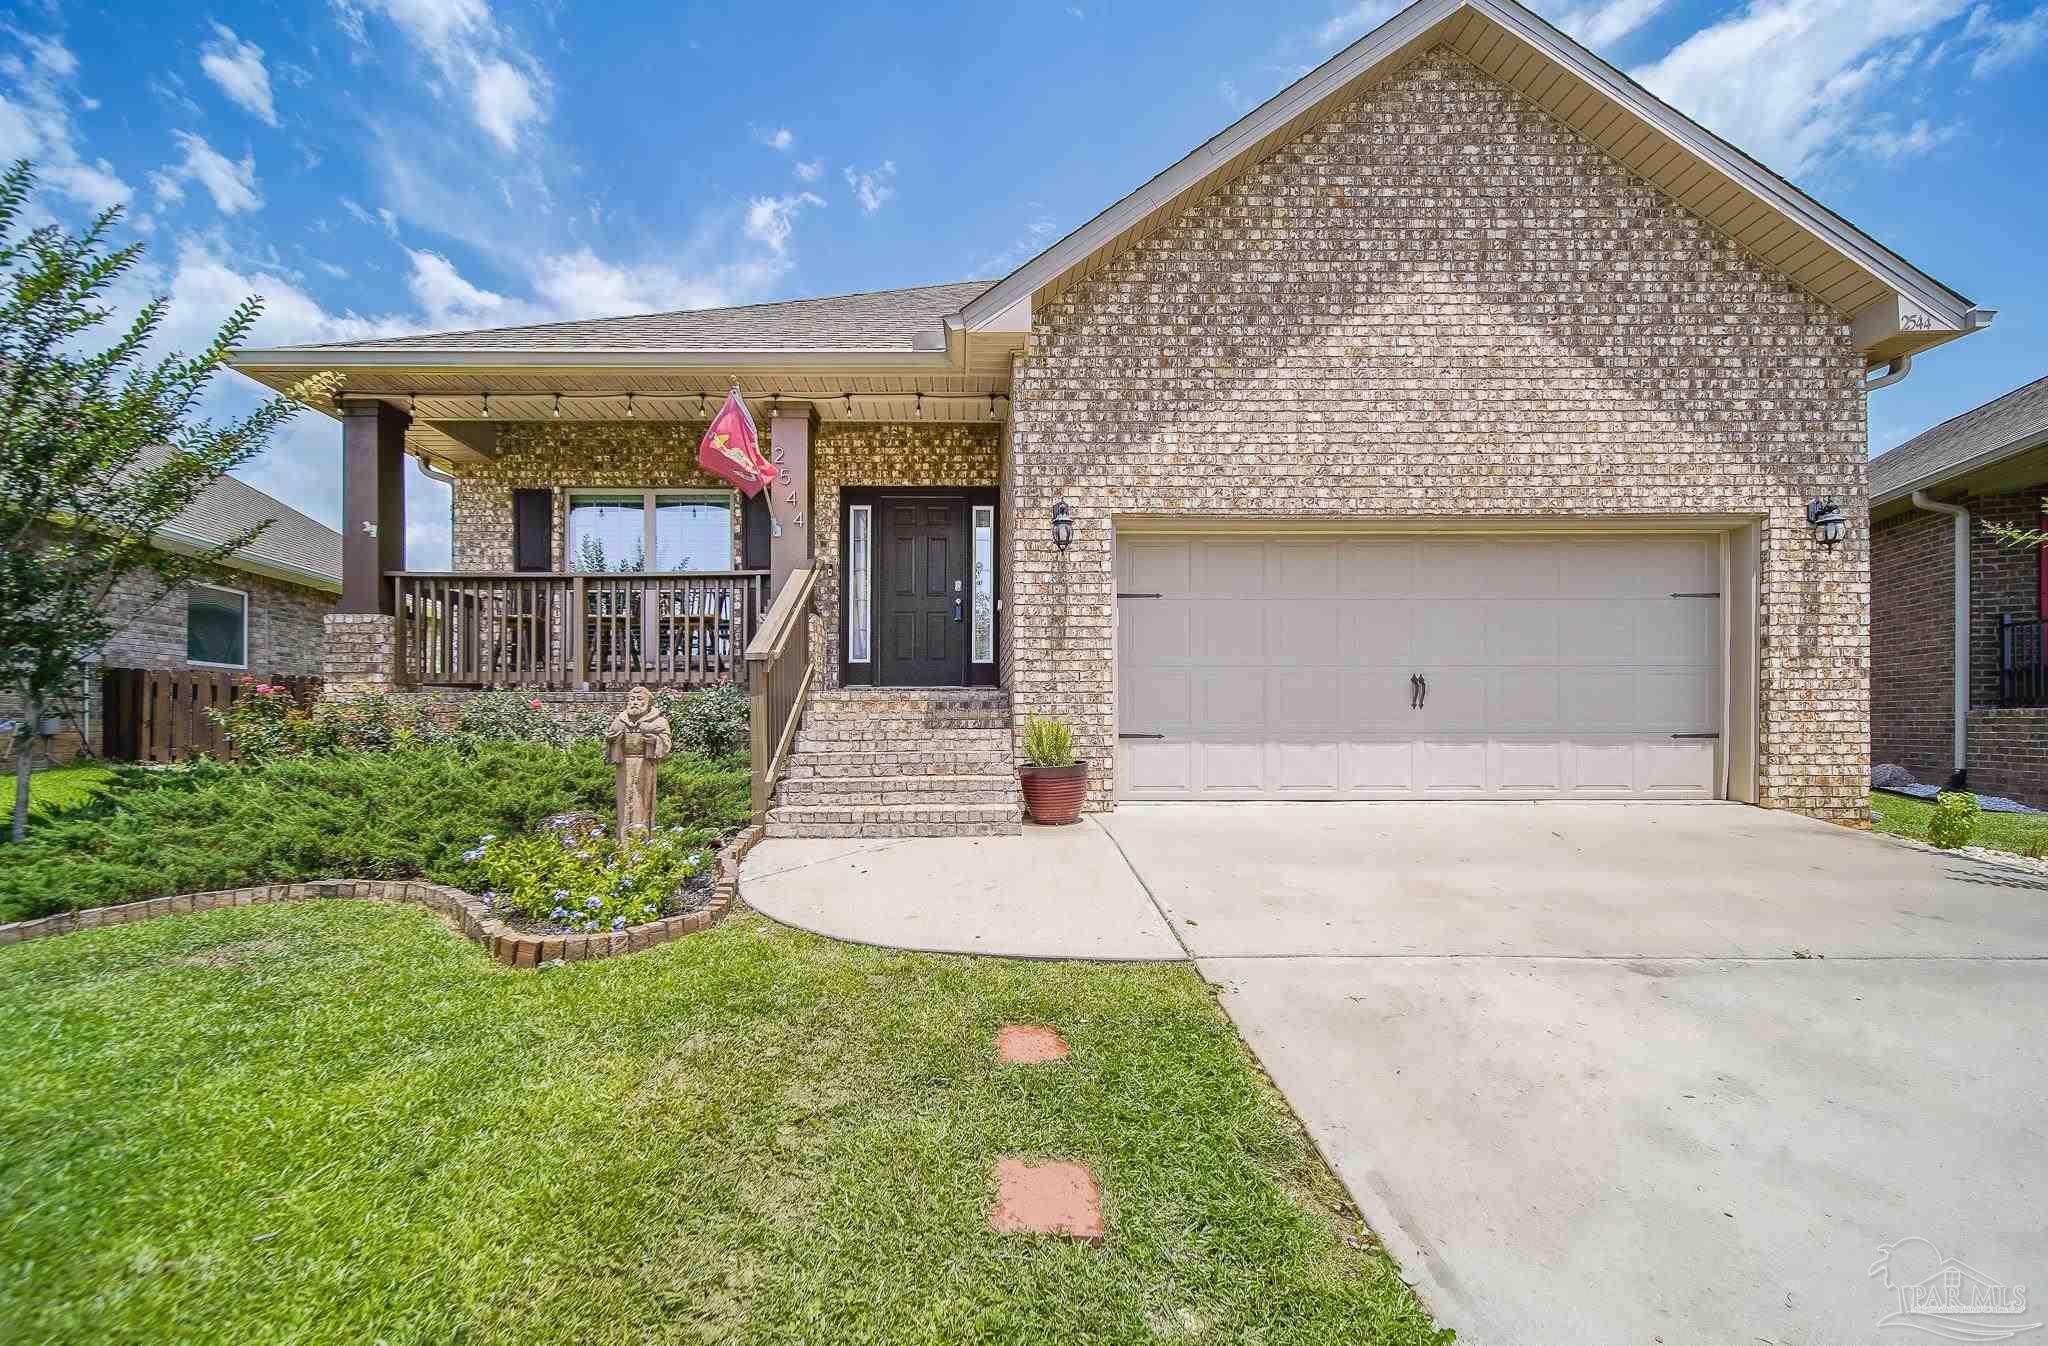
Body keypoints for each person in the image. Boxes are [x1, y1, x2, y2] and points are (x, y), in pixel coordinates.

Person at [603, 686, 673, 834]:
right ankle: (623, 842)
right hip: (624, 766)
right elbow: (609, 738)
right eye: (632, 699)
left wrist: (655, 740)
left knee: (642, 802)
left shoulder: (658, 721)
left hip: (645, 765)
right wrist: (613, 739)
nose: (635, 702)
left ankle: (642, 840)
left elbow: (666, 742)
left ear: (648, 702)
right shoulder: (620, 720)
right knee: (624, 802)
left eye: (639, 699)